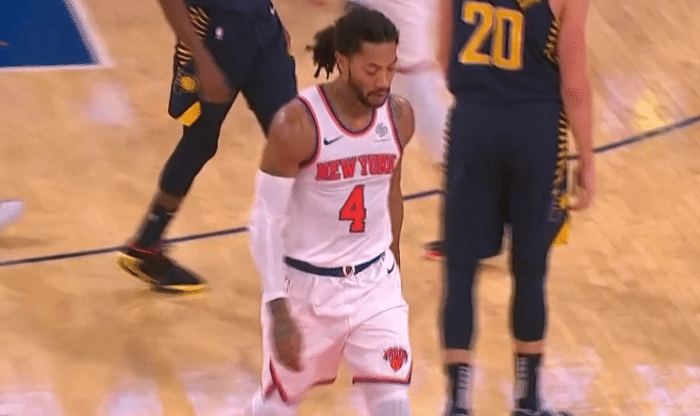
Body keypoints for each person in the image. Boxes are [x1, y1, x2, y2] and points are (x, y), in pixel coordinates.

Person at [245, 7, 415, 416]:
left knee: (393, 405)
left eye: (391, 68)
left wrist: (394, 263)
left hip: (374, 283)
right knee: (275, 408)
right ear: (343, 61)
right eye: (372, 70)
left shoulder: (398, 116)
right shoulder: (297, 125)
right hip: (306, 290)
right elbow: (265, 220)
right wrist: (277, 307)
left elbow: (391, 190)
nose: (383, 81)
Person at [437, 0, 596, 414]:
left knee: (459, 269)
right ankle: (527, 401)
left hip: (473, 125)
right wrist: (587, 160)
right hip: (536, 131)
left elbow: (443, 58)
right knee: (530, 269)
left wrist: (485, 89)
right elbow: (574, 85)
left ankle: (457, 403)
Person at [116, 0, 297, 293]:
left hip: (262, 28)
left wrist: (267, 14)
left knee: (292, 138)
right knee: (199, 143)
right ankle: (147, 244)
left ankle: (315, 250)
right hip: (212, 38)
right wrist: (202, 60)